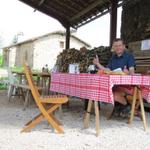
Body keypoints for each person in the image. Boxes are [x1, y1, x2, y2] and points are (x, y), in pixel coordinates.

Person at [93, 38, 135, 117]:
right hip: (115, 85)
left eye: (119, 45)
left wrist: (128, 72)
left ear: (123, 46)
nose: (118, 47)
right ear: (114, 47)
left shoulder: (129, 56)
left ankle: (127, 106)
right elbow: (107, 70)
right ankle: (120, 107)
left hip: (127, 86)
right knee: (104, 91)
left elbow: (132, 73)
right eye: (116, 46)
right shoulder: (113, 58)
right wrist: (98, 64)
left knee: (112, 94)